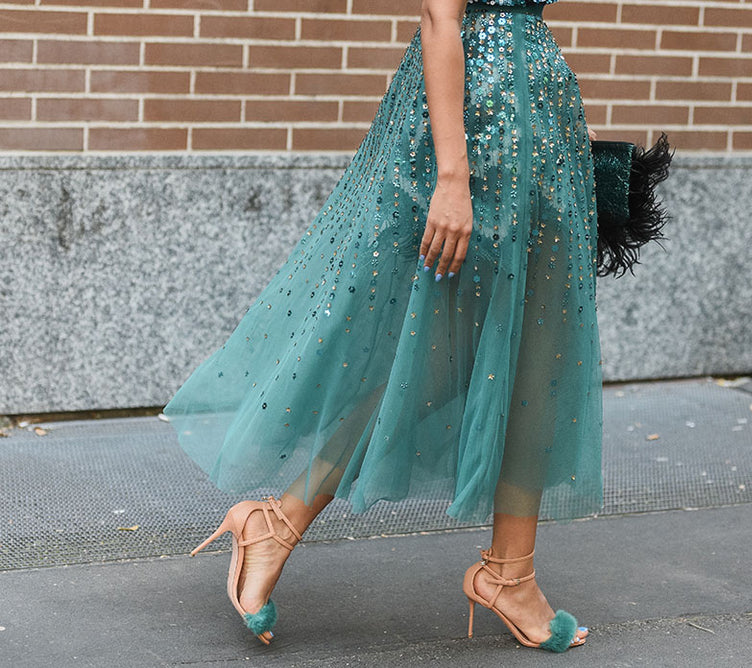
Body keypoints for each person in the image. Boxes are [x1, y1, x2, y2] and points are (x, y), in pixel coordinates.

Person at [164, 0, 602, 653]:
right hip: (469, 133)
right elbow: (439, 13)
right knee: (426, 354)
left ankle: (512, 572)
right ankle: (277, 520)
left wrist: (558, 130)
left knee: (539, 351)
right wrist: (453, 174)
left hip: (540, 123)